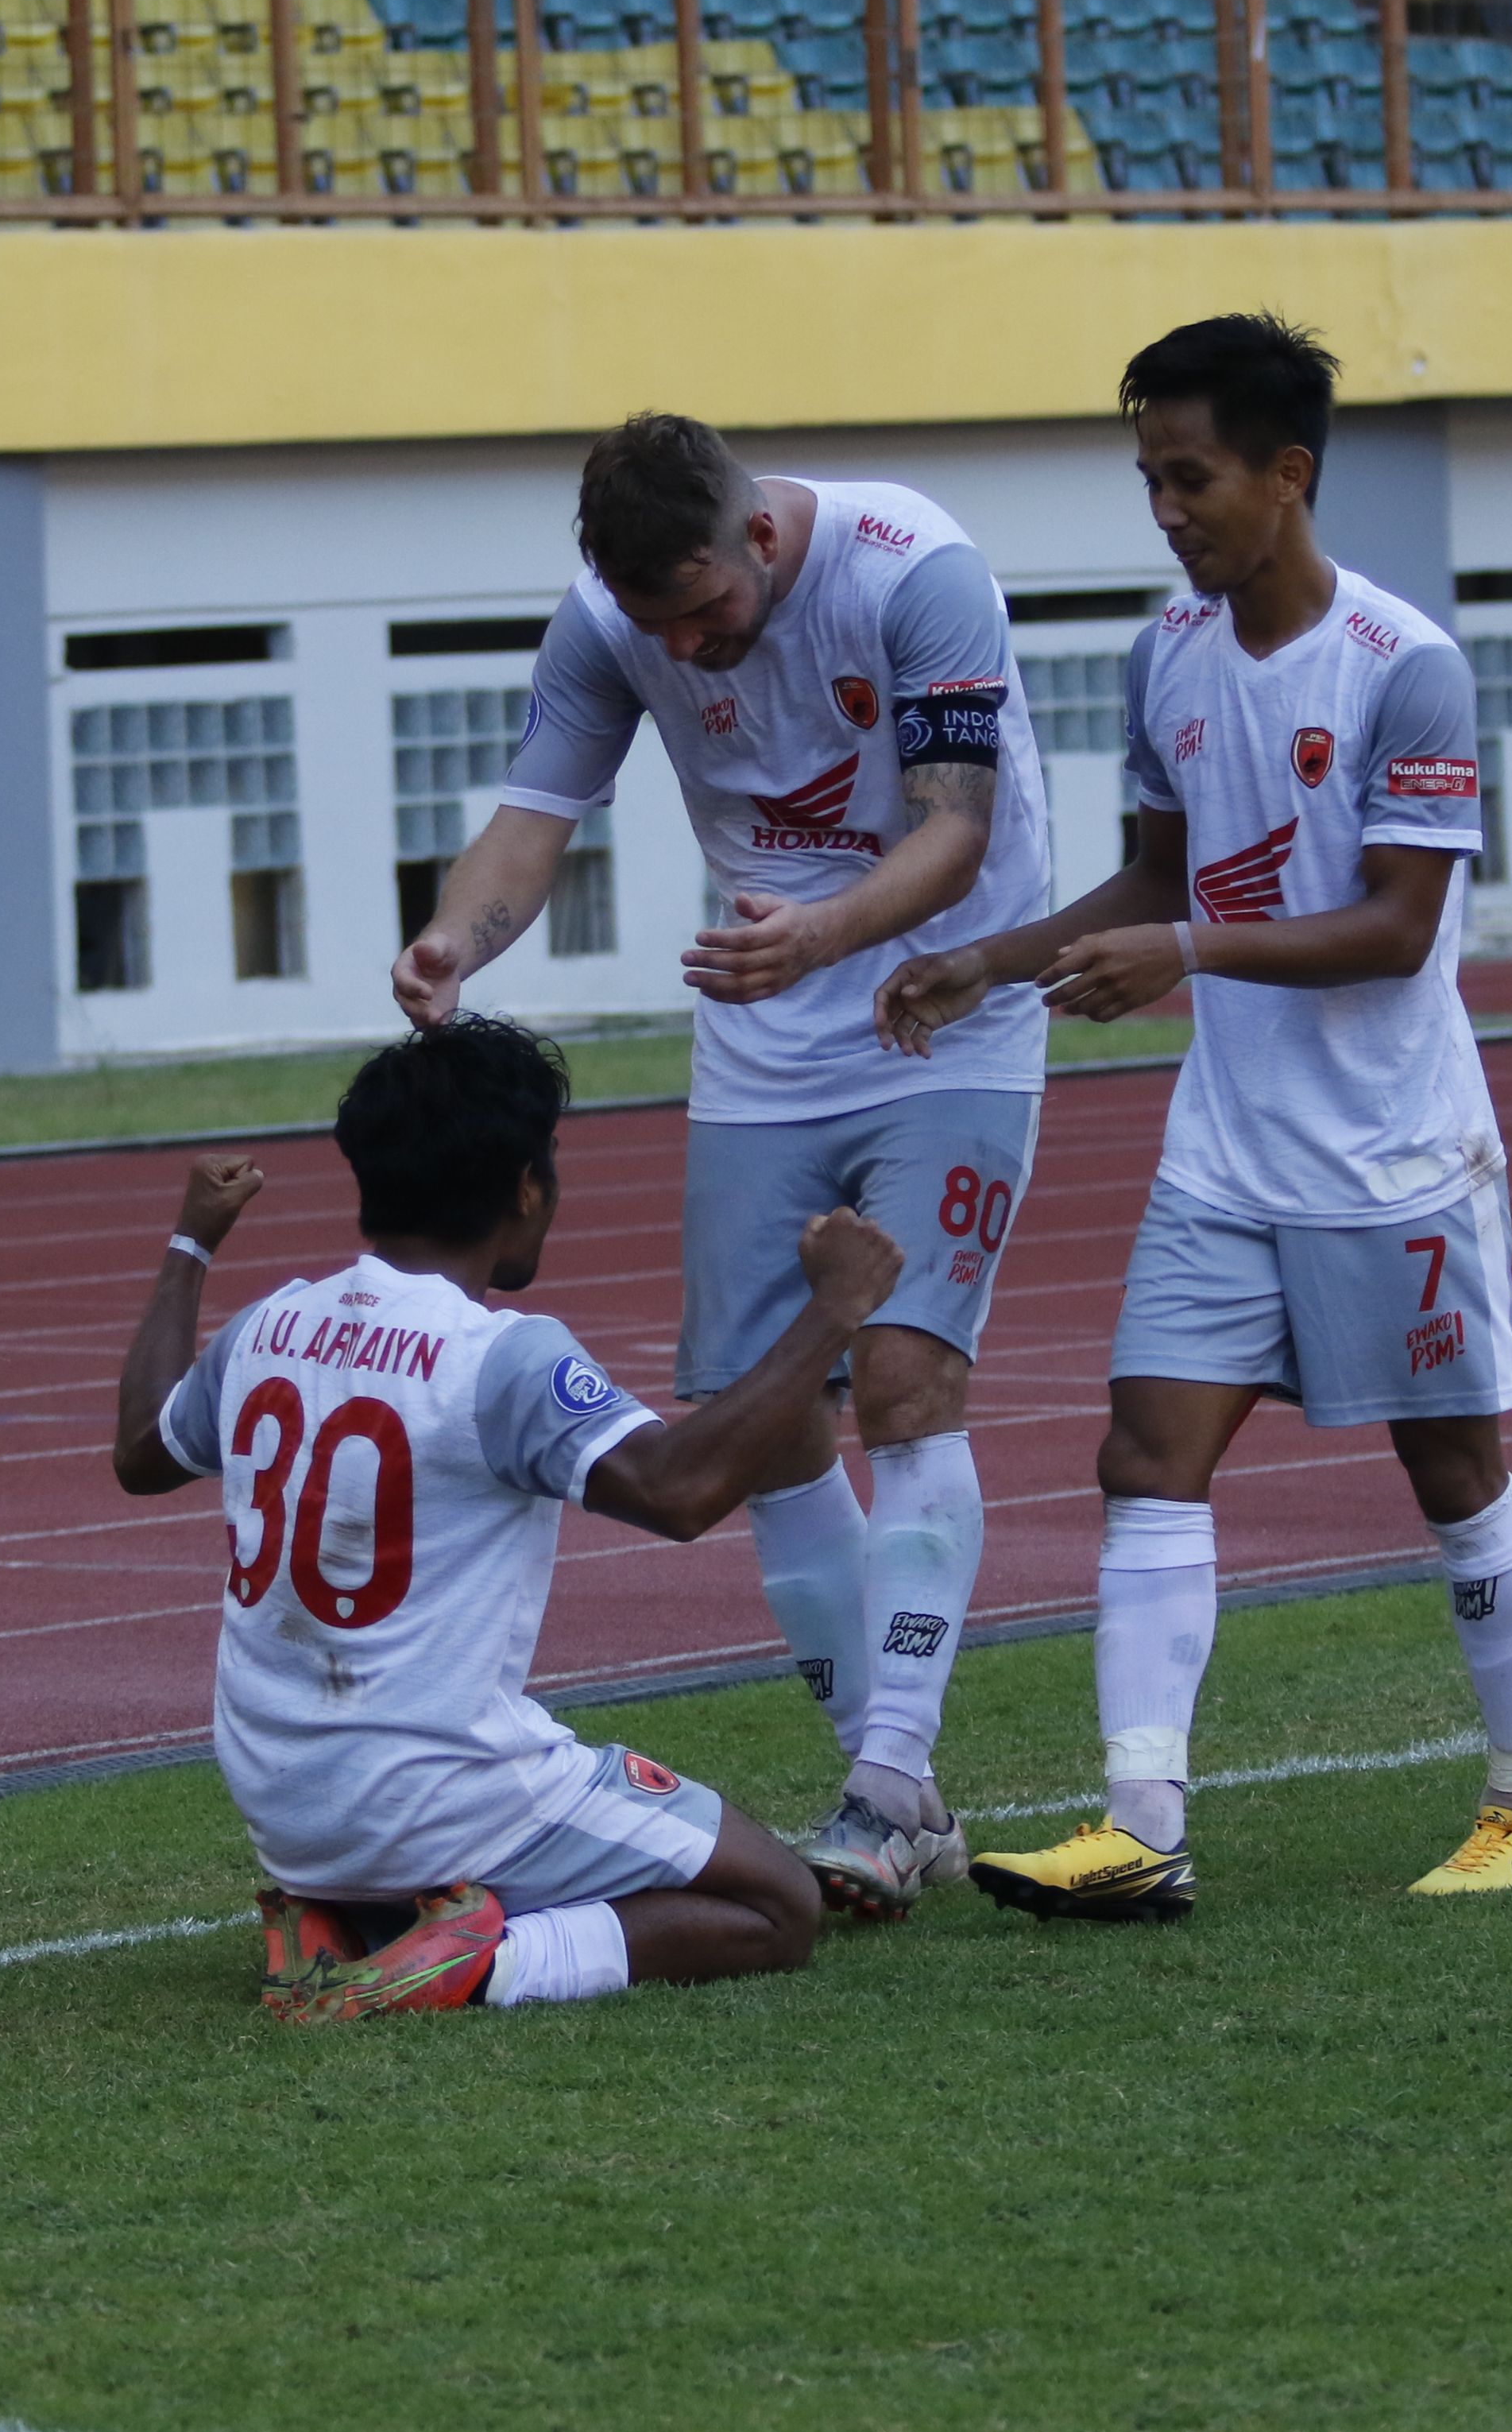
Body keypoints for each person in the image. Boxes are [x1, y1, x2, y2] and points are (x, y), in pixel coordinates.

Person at [874, 312, 1512, 1913]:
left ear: (1288, 474)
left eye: (1190, 479)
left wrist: (1183, 951)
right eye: (1149, 481)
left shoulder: (1409, 671)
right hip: (1227, 1154)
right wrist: (989, 958)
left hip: (1393, 1153)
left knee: (1453, 1475)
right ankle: (1142, 1826)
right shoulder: (1165, 654)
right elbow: (1158, 871)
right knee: (1146, 1454)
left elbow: (1399, 927)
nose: (1168, 511)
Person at [390, 416, 1057, 1921]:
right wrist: (455, 941)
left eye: (701, 614)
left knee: (898, 1380)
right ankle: (894, 1797)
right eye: (653, 626)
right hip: (762, 1039)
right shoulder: (608, 620)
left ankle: (884, 1781)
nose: (684, 650)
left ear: (758, 538)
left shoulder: (915, 573)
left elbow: (959, 833)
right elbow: (530, 821)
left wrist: (815, 938)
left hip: (941, 1008)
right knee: (764, 1424)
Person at [110, 1014, 900, 2020]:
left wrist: (190, 1244)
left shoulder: (270, 1321)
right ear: (528, 1188)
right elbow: (679, 1492)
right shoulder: (500, 1354)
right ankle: (474, 1964)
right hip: (431, 1798)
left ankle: (351, 1924)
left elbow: (142, 1452)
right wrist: (831, 1311)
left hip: (287, 1809)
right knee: (775, 1904)